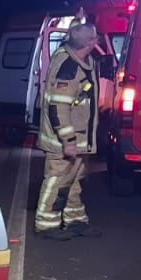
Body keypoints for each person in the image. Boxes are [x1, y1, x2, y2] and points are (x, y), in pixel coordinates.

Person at [33, 21, 102, 240]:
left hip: (79, 139)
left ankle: (75, 221)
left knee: (74, 182)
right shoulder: (69, 67)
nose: (98, 39)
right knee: (57, 181)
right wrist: (68, 141)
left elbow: (73, 36)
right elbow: (58, 107)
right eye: (96, 37)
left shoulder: (74, 55)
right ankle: (46, 224)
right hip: (65, 142)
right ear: (90, 43)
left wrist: (78, 21)